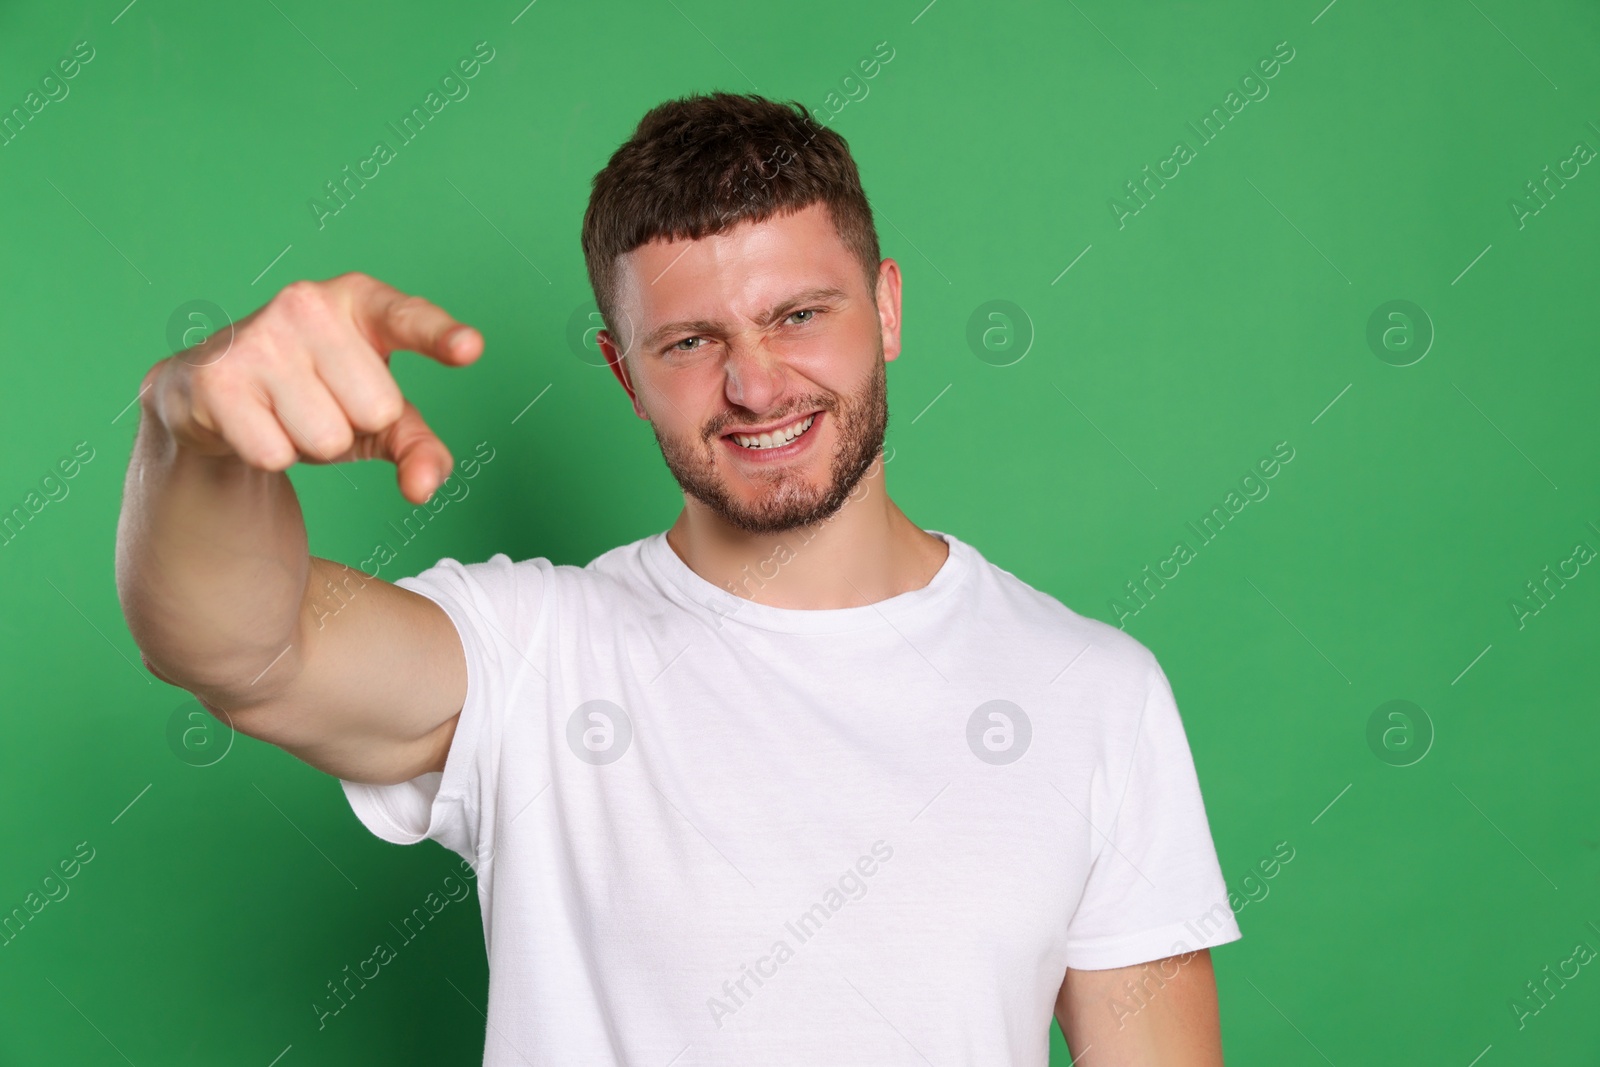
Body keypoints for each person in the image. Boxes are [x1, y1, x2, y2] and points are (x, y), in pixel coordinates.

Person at [116, 91, 1240, 1065]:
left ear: (887, 307)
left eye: (799, 314)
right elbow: (242, 648)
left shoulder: (1091, 691)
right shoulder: (534, 653)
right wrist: (190, 432)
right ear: (622, 369)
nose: (756, 384)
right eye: (690, 342)